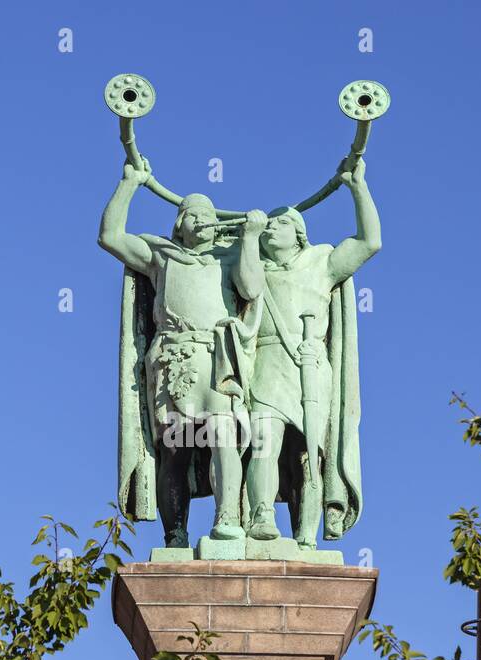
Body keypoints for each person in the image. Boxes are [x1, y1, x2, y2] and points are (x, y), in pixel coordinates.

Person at [99, 157, 267, 547]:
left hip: (216, 356)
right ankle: (175, 533)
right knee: (175, 445)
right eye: (193, 214)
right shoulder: (162, 256)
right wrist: (130, 183)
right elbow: (110, 236)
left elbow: (252, 289)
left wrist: (252, 238)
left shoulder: (230, 256)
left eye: (208, 214)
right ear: (180, 223)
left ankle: (227, 519)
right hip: (174, 359)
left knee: (224, 433)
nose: (202, 220)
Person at [246, 157, 380, 548]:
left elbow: (370, 241)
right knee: (262, 444)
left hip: (311, 369)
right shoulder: (252, 266)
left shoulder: (321, 261)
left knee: (310, 460)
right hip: (265, 365)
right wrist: (249, 237)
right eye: (269, 223)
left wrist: (358, 188)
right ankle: (260, 517)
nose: (272, 227)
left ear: (300, 234)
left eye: (282, 222)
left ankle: (306, 538)